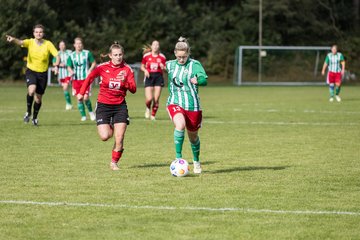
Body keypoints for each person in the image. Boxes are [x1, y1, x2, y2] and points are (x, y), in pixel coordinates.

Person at [77, 42, 137, 171]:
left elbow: (134, 89)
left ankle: (114, 162)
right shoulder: (102, 67)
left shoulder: (127, 69)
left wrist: (125, 82)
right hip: (103, 106)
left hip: (120, 106)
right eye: (115, 55)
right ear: (110, 55)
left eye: (120, 54)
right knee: (104, 136)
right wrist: (81, 93)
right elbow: (89, 78)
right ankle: (110, 124)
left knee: (119, 137)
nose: (118, 57)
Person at [166, 37, 208, 174]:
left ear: (188, 53)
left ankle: (196, 161)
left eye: (184, 57)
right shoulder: (170, 64)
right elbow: (157, 64)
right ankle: (178, 159)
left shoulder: (195, 64)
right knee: (180, 125)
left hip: (193, 106)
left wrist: (199, 80)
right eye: (179, 57)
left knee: (193, 137)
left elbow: (204, 79)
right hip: (174, 102)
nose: (181, 60)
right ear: (174, 53)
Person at [5, 24, 60, 126]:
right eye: (36, 32)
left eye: (40, 32)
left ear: (43, 33)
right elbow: (20, 42)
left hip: (43, 74)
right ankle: (28, 112)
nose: (38, 34)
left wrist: (56, 66)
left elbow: (57, 56)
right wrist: (13, 39)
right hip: (31, 71)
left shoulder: (48, 44)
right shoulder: (30, 42)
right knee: (31, 90)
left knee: (38, 98)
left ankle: (35, 117)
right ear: (33, 33)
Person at [67, 37, 97, 121]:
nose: (78, 45)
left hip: (85, 79)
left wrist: (90, 70)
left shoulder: (87, 53)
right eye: (77, 43)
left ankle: (91, 113)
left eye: (80, 43)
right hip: (76, 80)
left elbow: (94, 63)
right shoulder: (71, 55)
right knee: (79, 98)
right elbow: (68, 66)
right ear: (74, 45)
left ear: (82, 44)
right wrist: (71, 71)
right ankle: (83, 116)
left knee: (86, 97)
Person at [140, 40, 166, 120]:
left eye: (157, 45)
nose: (155, 46)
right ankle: (148, 108)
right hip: (149, 77)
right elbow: (142, 66)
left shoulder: (162, 57)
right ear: (151, 46)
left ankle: (153, 115)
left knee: (156, 98)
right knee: (149, 98)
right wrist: (145, 70)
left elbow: (165, 69)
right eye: (154, 45)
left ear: (159, 47)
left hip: (158, 77)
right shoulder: (146, 56)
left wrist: (163, 67)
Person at [53, 40, 73, 110]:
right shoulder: (57, 53)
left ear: (65, 46)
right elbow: (53, 62)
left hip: (68, 73)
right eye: (60, 45)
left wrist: (68, 65)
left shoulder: (69, 52)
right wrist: (58, 64)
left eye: (63, 45)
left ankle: (68, 104)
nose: (62, 46)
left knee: (65, 87)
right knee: (65, 89)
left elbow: (73, 60)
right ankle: (69, 103)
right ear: (59, 46)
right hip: (61, 74)